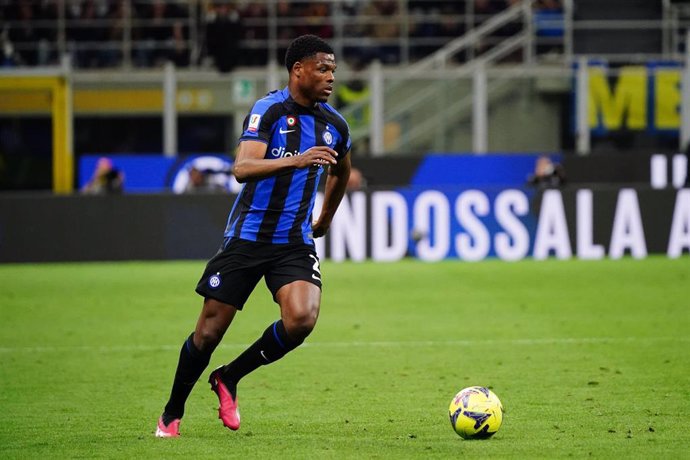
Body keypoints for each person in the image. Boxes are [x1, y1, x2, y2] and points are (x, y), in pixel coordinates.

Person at [155, 34, 352, 438]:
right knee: (207, 333)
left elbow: (342, 170)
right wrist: (298, 160)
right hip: (248, 238)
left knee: (301, 319)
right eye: (323, 68)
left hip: (294, 242)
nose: (331, 77)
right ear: (298, 70)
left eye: (333, 69)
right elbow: (242, 168)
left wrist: (326, 217)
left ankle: (229, 377)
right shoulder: (269, 110)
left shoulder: (334, 124)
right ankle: (172, 413)